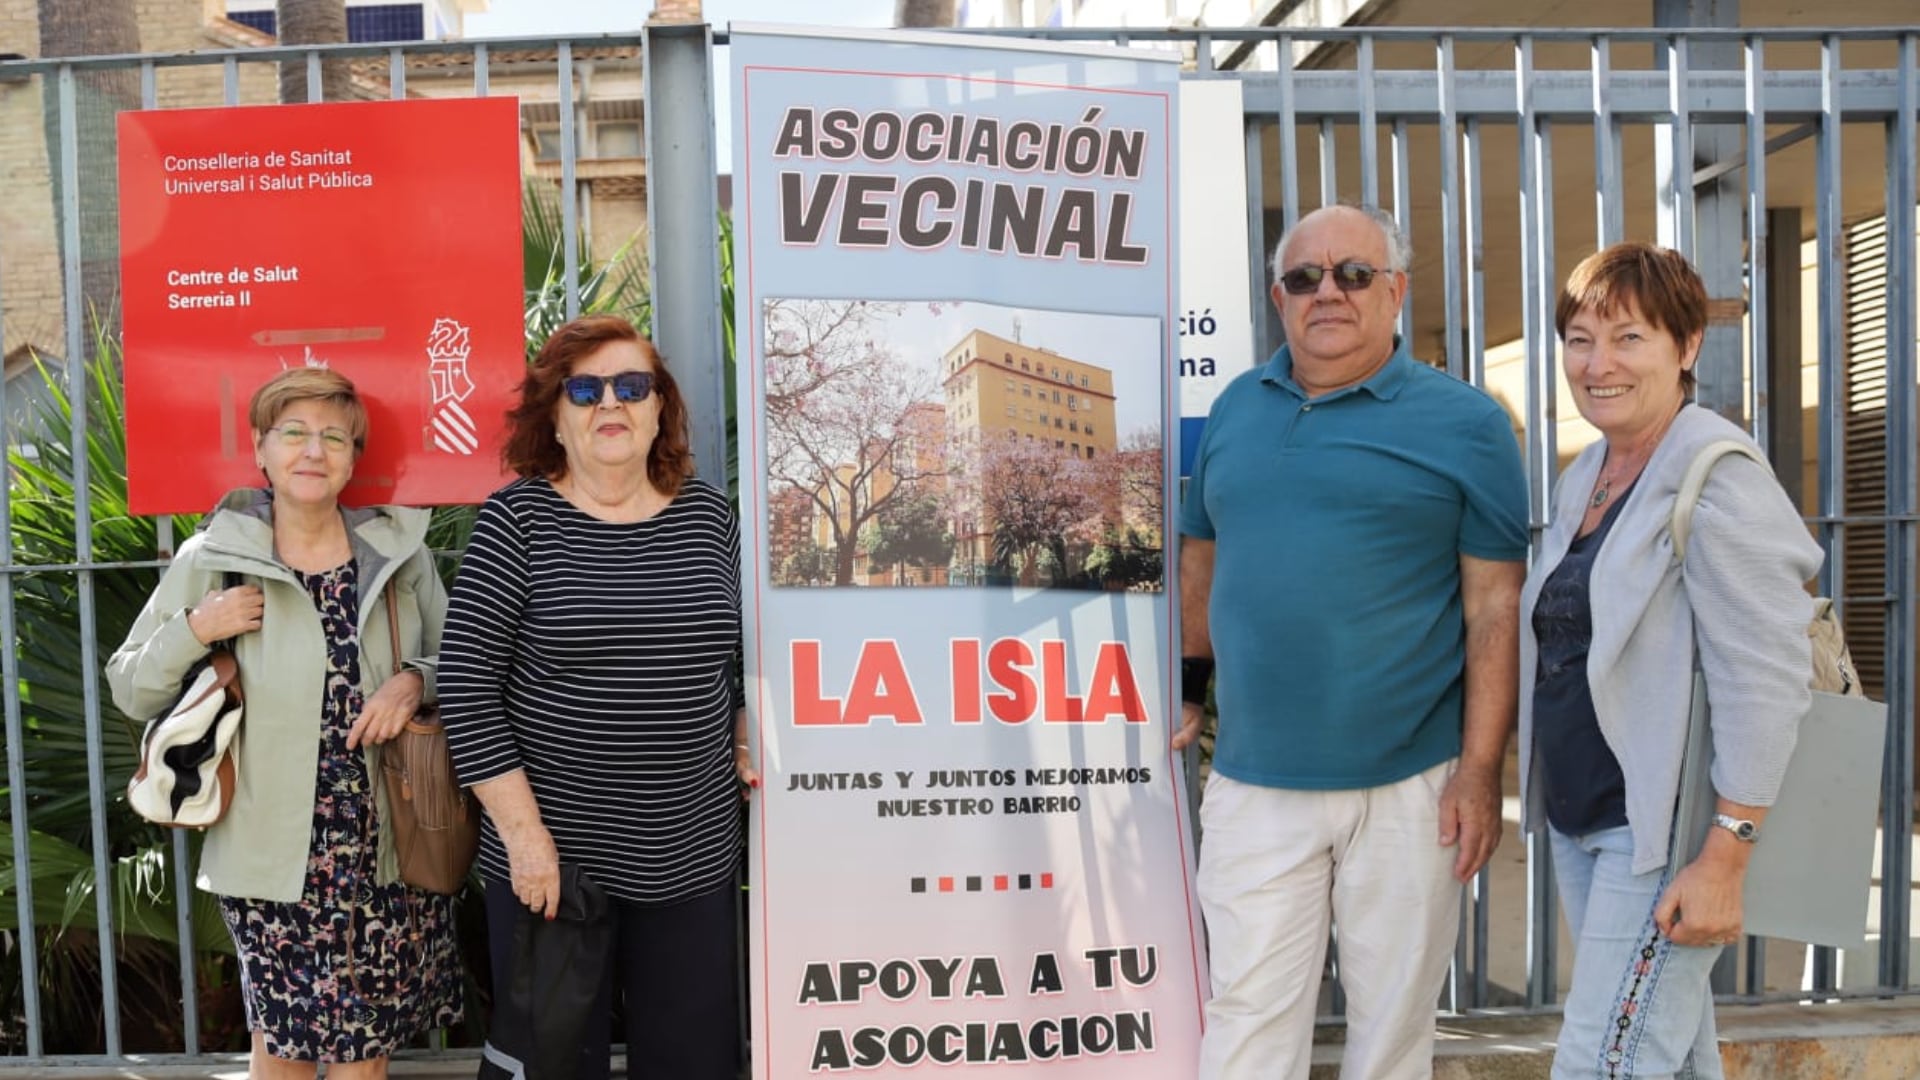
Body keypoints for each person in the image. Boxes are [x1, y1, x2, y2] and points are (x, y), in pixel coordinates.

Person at [1174, 204, 1530, 1080]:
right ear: (1278, 297)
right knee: (1248, 1018)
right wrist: (1188, 682)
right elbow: (1199, 558)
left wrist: (1481, 772)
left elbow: (1494, 606)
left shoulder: (1468, 424)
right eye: (1305, 277)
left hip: (1410, 785)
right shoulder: (1235, 408)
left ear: (1397, 291)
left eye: (1353, 274)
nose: (1327, 291)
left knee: (1393, 1029)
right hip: (1255, 781)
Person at [107, 367, 462, 1079]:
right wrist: (198, 625)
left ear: (355, 458)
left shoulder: (399, 558)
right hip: (272, 858)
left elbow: (464, 664)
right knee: (284, 1052)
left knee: (365, 1058)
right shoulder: (214, 558)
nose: (314, 450)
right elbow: (131, 686)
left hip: (384, 849)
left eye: (335, 436)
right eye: (293, 433)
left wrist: (414, 678)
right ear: (261, 451)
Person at [1520, 243, 1820, 1079]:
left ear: (1686, 348)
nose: (1596, 364)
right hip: (1591, 825)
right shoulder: (1592, 473)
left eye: (1628, 339)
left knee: (1601, 1064)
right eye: (1580, 339)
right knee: (1671, 1058)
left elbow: (1765, 679)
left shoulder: (1714, 472)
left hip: (1661, 843)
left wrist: (1725, 857)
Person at [436, 315, 754, 1080]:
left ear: (658, 409)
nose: (609, 403)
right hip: (556, 863)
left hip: (694, 852)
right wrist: (525, 840)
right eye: (584, 389)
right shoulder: (516, 522)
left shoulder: (709, 516)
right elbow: (468, 686)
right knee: (552, 1063)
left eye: (631, 386)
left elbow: (741, 658)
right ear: (555, 414)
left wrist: (743, 736)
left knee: (693, 1062)